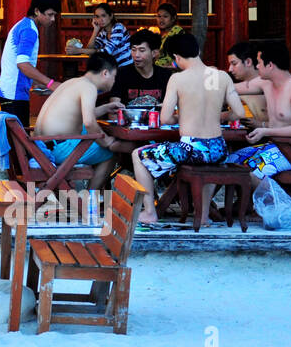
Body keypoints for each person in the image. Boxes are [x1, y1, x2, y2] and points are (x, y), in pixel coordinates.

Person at [130, 33, 245, 224]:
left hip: (190, 149)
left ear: (176, 57)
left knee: (138, 155)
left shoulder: (178, 79)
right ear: (198, 51)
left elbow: (166, 118)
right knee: (210, 162)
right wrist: (221, 116)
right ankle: (204, 215)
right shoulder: (220, 76)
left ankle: (150, 211)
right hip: (218, 149)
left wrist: (183, 116)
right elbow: (239, 112)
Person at [222, 41, 291, 185]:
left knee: (251, 170)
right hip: (276, 146)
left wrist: (264, 131)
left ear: (270, 65)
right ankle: (242, 207)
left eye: (260, 62)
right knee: (230, 161)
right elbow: (232, 88)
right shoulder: (265, 83)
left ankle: (275, 206)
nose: (257, 66)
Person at [32, 54, 125, 188]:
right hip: (56, 149)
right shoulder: (89, 87)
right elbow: (88, 122)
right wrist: (106, 141)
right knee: (110, 154)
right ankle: (90, 200)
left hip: (40, 147)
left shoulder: (72, 82)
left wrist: (105, 108)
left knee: (93, 140)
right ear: (105, 73)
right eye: (114, 77)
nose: (114, 81)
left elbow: (75, 114)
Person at [0, 0, 61, 127]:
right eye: (50, 14)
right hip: (13, 93)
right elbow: (22, 64)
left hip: (9, 90)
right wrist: (50, 83)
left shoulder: (23, 25)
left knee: (16, 139)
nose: (53, 19)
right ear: (36, 11)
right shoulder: (29, 30)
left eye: (54, 15)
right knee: (20, 141)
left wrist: (39, 84)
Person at [108, 30, 172, 105]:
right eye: (133, 50)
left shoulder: (165, 75)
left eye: (142, 50)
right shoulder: (121, 74)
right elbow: (114, 109)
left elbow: (170, 107)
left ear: (154, 53)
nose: (136, 55)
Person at [68, 3, 132, 69]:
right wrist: (95, 30)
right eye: (97, 17)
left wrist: (79, 50)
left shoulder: (118, 27)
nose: (100, 20)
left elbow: (106, 52)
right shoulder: (103, 32)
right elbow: (89, 50)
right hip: (114, 69)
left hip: (127, 68)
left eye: (103, 16)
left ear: (111, 16)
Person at [224, 40, 267, 120]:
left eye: (234, 64)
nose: (230, 69)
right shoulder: (235, 83)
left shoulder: (266, 82)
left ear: (248, 62)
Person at [150, 2, 183, 68]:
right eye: (159, 16)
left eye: (165, 16)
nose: (161, 20)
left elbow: (183, 57)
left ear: (173, 18)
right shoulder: (162, 34)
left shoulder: (177, 31)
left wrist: (171, 66)